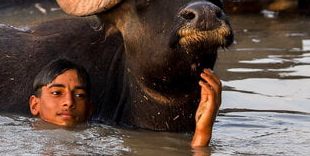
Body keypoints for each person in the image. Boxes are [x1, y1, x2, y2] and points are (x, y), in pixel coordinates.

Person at [29, 59, 221, 147]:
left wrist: (203, 131)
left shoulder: (103, 143)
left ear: (90, 110)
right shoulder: (22, 145)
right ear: (34, 105)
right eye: (56, 93)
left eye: (79, 95)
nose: (68, 102)